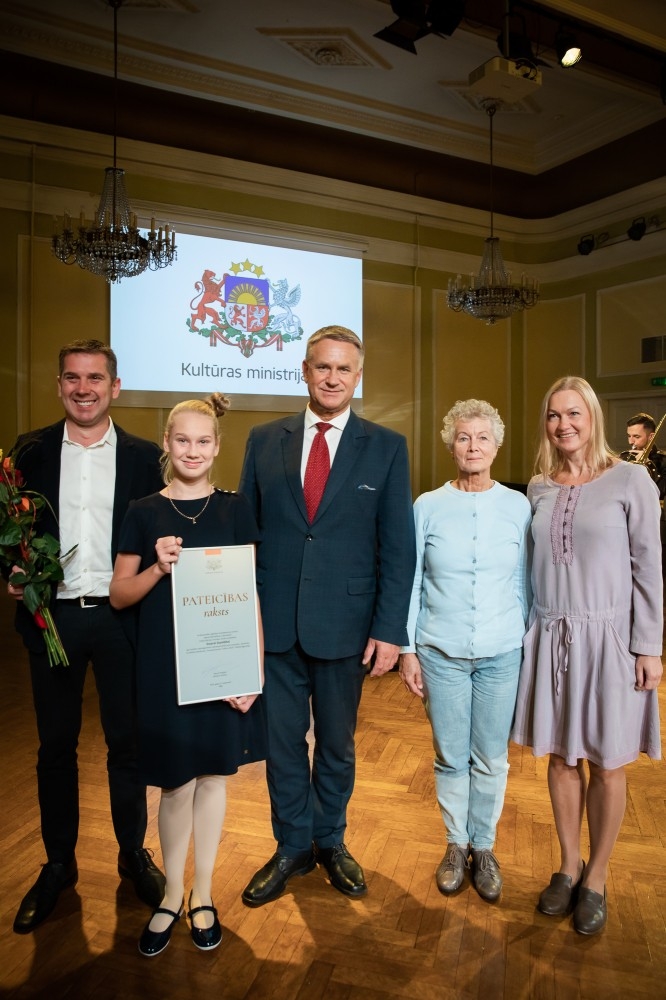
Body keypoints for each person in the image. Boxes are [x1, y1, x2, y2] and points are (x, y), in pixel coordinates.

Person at [238, 325, 416, 906]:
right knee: (283, 744)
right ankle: (291, 845)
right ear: (304, 371)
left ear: (357, 376)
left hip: (347, 629)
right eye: (322, 367)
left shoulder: (386, 446)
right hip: (276, 626)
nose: (332, 377)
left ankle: (330, 841)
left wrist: (390, 630)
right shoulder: (265, 439)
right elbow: (246, 538)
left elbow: (398, 547)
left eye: (344, 369)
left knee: (336, 746)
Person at [8, 339, 166, 934]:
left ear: (115, 387)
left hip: (126, 619)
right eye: (72, 377)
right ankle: (56, 866)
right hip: (53, 618)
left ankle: (133, 855)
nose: (83, 388)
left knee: (127, 747)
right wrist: (12, 573)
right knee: (55, 749)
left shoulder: (147, 458)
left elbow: (161, 534)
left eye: (95, 378)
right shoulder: (29, 454)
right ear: (59, 385)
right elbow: (7, 529)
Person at [110, 394, 267, 956]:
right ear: (167, 444)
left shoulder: (236, 507)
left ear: (217, 446)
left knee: (214, 780)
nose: (193, 450)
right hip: (164, 670)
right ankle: (171, 894)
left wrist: (252, 670)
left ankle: (204, 892)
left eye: (204, 441)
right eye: (182, 440)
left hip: (223, 669)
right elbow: (119, 594)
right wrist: (158, 566)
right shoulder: (143, 511)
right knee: (174, 784)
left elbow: (249, 592)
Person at [512, 376, 662, 936]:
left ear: (592, 417)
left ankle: (597, 876)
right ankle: (568, 865)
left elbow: (649, 568)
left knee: (607, 761)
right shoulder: (538, 488)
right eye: (553, 415)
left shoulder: (631, 479)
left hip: (612, 642)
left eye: (573, 413)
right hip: (550, 638)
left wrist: (648, 645)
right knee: (560, 759)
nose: (563, 424)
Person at [399, 399, 530, 903]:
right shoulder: (427, 505)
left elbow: (527, 581)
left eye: (482, 438)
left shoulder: (519, 507)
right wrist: (408, 649)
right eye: (463, 437)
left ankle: (485, 846)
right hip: (440, 650)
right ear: (450, 444)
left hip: (502, 650)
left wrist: (526, 644)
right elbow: (411, 583)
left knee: (491, 759)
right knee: (451, 757)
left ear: (497, 446)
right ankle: (456, 845)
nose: (472, 446)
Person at [624, 412, 666, 500]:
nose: (631, 442)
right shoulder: (623, 457)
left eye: (636, 436)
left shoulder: (663, 460)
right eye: (629, 436)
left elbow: (661, 492)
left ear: (651, 437)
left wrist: (648, 464)